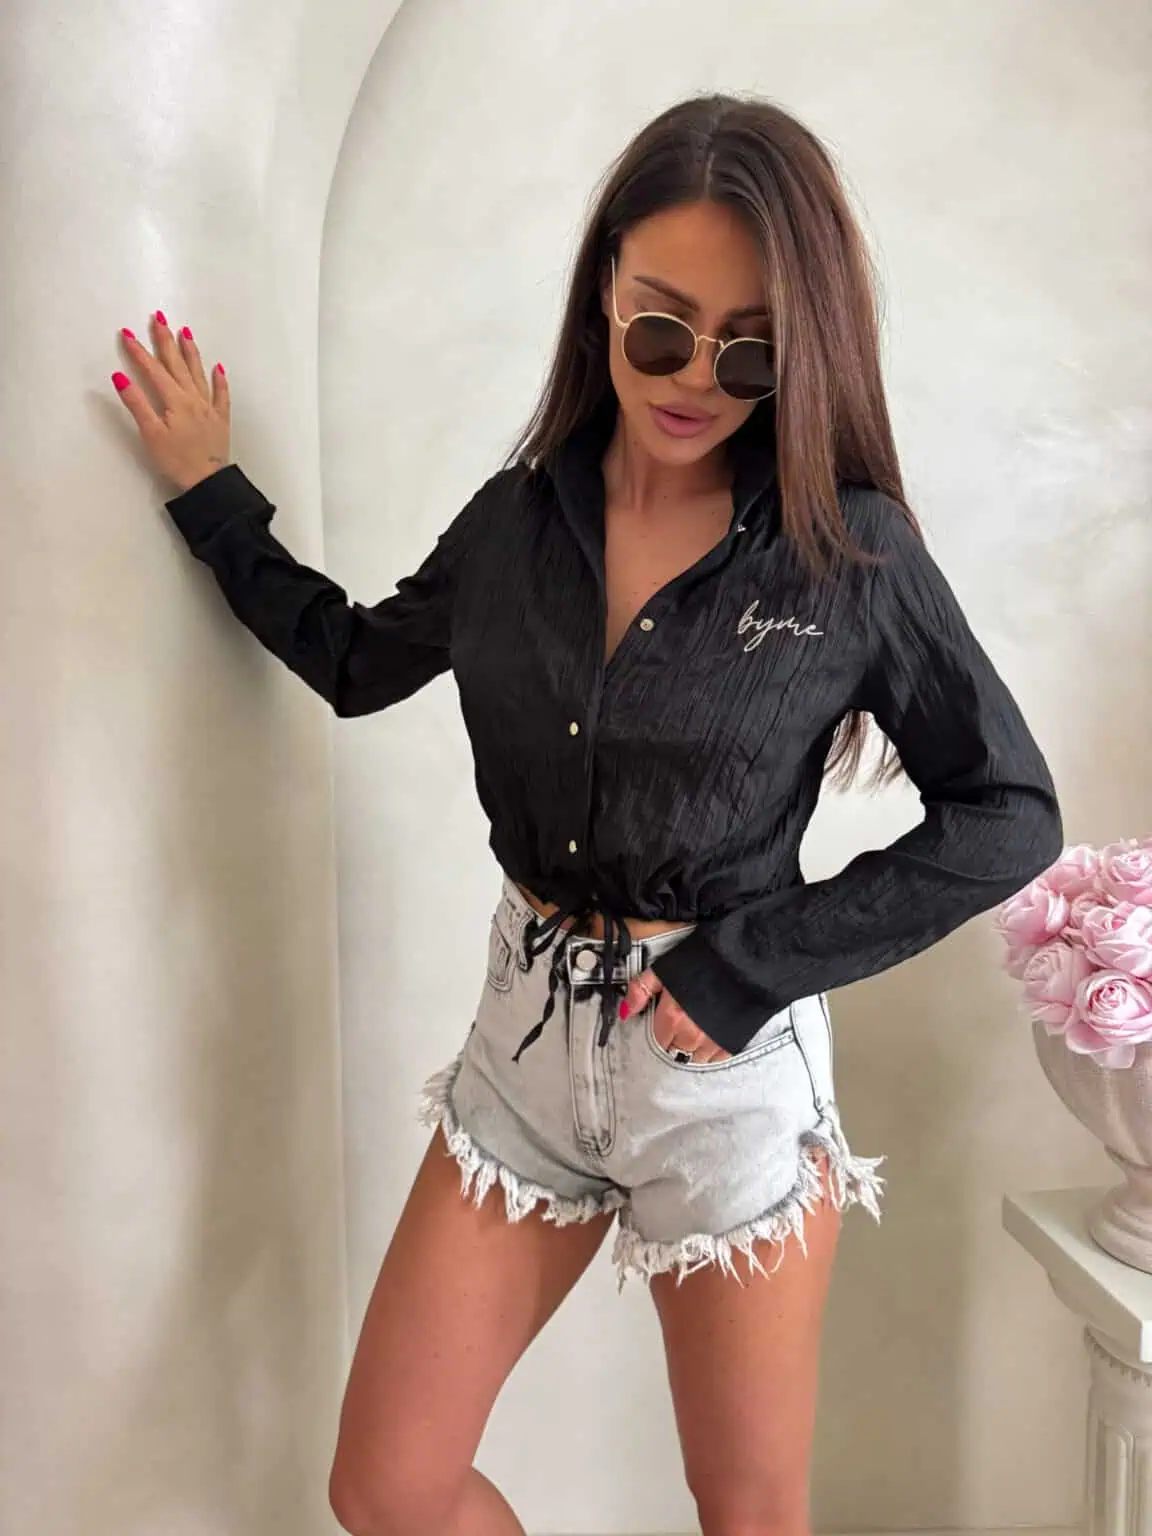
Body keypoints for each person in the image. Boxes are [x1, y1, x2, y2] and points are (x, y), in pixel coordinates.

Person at [111, 92, 1062, 1536]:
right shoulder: (515, 524)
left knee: (747, 1513)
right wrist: (211, 497)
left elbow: (1008, 811)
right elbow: (357, 663)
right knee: (388, 1485)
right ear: (605, 286)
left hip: (727, 1078)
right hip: (524, 1050)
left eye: (751, 349)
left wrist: (750, 965)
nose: (697, 380)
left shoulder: (847, 554)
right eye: (661, 326)